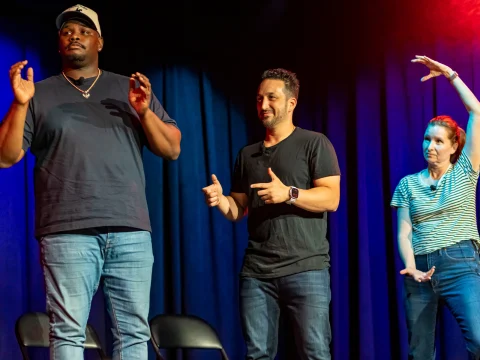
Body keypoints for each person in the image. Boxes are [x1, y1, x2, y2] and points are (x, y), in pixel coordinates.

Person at [0, 4, 181, 359]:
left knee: (133, 333)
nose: (75, 36)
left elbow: (171, 148)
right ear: (58, 45)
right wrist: (20, 104)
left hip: (129, 230)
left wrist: (144, 112)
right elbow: (6, 156)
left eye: (84, 31)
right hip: (67, 231)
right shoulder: (40, 94)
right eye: (67, 31)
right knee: (68, 334)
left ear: (100, 42)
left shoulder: (126, 88)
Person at [202, 68, 341, 359]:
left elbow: (331, 198)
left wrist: (288, 194)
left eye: (271, 98)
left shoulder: (314, 143)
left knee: (315, 353)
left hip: (307, 268)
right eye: (259, 99)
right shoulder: (247, 154)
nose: (263, 105)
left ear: (291, 103)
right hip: (257, 273)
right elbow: (239, 209)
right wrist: (222, 200)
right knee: (257, 355)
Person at [391, 55, 480, 359]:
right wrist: (412, 267)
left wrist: (450, 73)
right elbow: (404, 233)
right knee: (420, 353)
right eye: (427, 139)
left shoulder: (465, 170)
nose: (431, 146)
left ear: (455, 146)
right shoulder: (407, 184)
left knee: (479, 340)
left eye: (439, 141)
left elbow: (477, 111)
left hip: (460, 262)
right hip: (420, 269)